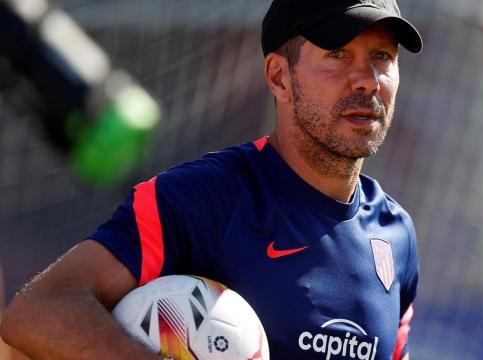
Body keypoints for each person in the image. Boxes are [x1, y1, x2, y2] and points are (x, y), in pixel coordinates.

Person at [0, 0, 422, 359]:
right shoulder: (203, 198)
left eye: (382, 56)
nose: (368, 78)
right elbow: (37, 310)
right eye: (338, 54)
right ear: (279, 77)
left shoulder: (397, 237)